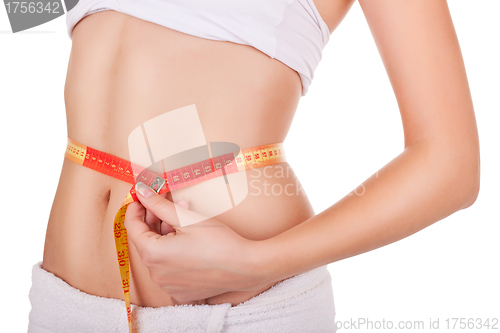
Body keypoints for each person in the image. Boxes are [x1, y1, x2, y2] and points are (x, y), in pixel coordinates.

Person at [28, 0, 480, 332]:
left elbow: (451, 163)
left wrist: (257, 263)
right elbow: (31, 12)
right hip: (66, 306)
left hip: (236, 314)